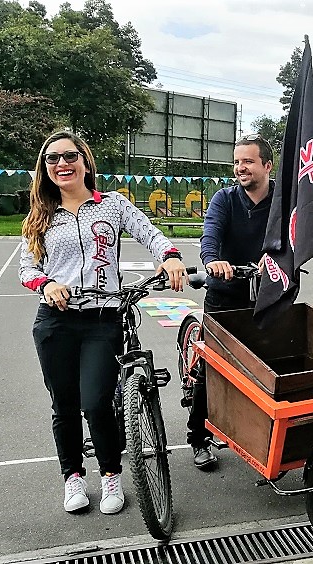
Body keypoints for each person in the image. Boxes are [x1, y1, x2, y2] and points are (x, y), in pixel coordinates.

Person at [20, 131, 188, 514]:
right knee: (64, 404)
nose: (61, 164)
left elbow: (150, 233)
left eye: (69, 156)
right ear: (45, 169)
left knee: (96, 402)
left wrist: (170, 255)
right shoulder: (40, 216)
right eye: (52, 159)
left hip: (103, 318)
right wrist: (45, 283)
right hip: (56, 322)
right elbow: (26, 267)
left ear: (85, 161)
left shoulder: (113, 205)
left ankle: (110, 474)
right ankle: (72, 476)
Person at [188, 135, 276, 470]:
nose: (240, 168)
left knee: (268, 367)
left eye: (248, 161)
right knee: (215, 368)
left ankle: (257, 436)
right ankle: (198, 437)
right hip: (225, 293)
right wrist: (213, 260)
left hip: (266, 294)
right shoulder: (225, 199)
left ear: (267, 165)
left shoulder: (280, 202)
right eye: (237, 161)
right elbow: (210, 234)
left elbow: (292, 236)